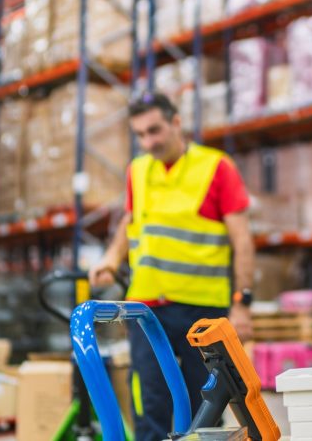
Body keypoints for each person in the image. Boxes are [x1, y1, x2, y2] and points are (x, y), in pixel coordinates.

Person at [88, 92, 256, 441]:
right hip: (145, 311)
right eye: (140, 135)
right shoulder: (137, 170)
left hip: (202, 310)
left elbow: (242, 240)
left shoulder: (216, 167)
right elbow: (129, 223)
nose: (149, 142)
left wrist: (242, 302)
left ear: (176, 123)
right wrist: (110, 258)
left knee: (205, 409)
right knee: (151, 406)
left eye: (155, 130)